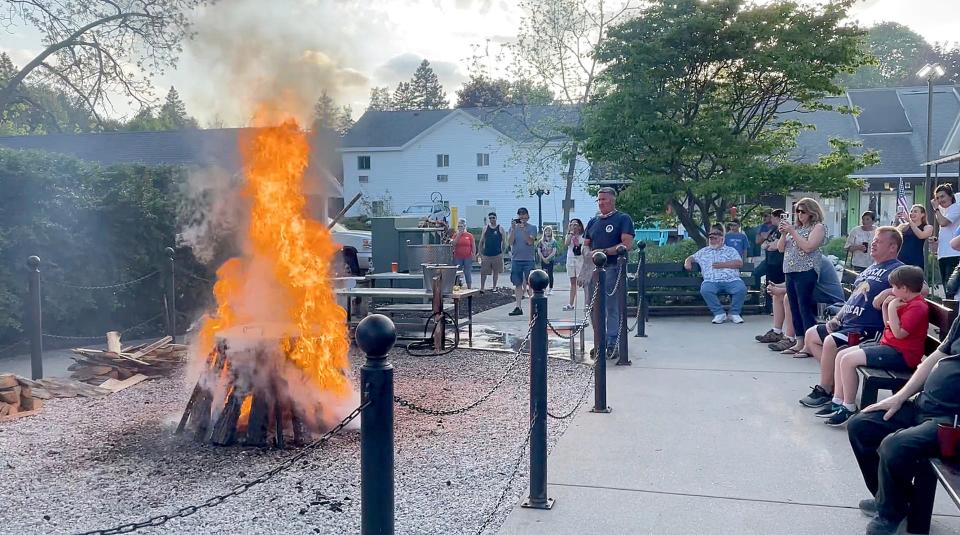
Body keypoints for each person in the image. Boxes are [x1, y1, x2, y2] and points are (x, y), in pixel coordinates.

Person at [847, 314, 960, 535]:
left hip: (951, 422)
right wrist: (899, 397)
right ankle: (891, 501)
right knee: (861, 425)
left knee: (895, 445)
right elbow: (936, 356)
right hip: (924, 403)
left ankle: (890, 514)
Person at [797, 227, 905, 407]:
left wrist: (889, 290)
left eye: (879, 241)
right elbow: (853, 299)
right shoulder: (870, 269)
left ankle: (825, 389)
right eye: (874, 240)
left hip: (868, 330)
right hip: (847, 323)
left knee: (832, 342)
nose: (873, 243)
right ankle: (834, 384)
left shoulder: (898, 269)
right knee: (811, 335)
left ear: (893, 247)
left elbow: (921, 288)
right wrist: (837, 318)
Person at [820, 266, 928, 427]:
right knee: (841, 354)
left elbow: (899, 334)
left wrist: (891, 308)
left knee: (848, 360)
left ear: (904, 288)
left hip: (902, 355)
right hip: (889, 346)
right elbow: (888, 325)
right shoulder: (904, 301)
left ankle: (848, 406)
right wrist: (885, 307)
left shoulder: (918, 307)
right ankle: (838, 400)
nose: (891, 291)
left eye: (894, 287)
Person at [581, 187, 635, 354]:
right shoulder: (593, 222)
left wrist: (603, 252)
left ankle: (613, 341)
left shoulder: (623, 219)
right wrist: (588, 254)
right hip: (593, 270)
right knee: (592, 306)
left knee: (612, 306)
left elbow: (626, 244)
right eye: (599, 200)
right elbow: (585, 244)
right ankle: (599, 341)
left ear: (612, 200)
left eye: (604, 199)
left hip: (612, 267)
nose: (601, 202)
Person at [778, 198, 827, 354]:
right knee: (794, 307)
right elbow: (780, 249)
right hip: (790, 271)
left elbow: (808, 247)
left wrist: (792, 231)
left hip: (806, 271)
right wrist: (784, 234)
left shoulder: (818, 227)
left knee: (804, 307)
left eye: (803, 211)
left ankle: (810, 343)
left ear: (812, 212)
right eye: (797, 211)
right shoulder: (796, 229)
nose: (799, 214)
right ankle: (799, 340)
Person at [764, 256, 845, 351]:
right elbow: (794, 283)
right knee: (777, 296)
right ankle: (777, 332)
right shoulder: (800, 259)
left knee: (787, 297)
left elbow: (804, 286)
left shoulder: (816, 260)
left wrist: (780, 290)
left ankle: (789, 338)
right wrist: (776, 286)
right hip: (814, 296)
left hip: (828, 301)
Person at [684, 225, 747, 324]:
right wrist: (687, 262)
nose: (712, 241)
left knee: (741, 288)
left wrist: (723, 265)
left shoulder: (731, 250)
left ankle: (734, 313)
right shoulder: (704, 251)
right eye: (711, 239)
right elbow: (691, 257)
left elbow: (739, 263)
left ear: (722, 239)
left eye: (715, 239)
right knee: (706, 289)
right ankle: (719, 313)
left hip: (731, 279)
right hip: (711, 280)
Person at [507, 207, 537, 316]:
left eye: (524, 215)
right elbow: (510, 242)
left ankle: (533, 307)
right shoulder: (513, 228)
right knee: (517, 283)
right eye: (520, 215)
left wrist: (523, 229)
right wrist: (514, 229)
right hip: (516, 259)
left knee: (531, 284)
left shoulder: (532, 228)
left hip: (528, 259)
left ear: (528, 216)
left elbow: (530, 242)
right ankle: (518, 306)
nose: (522, 217)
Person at [931, 183, 960, 295]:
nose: (940, 200)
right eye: (937, 198)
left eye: (942, 196)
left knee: (952, 291)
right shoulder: (943, 211)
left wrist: (936, 209)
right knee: (947, 290)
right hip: (943, 254)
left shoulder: (956, 207)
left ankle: (954, 312)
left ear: (950, 196)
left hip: (954, 254)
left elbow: (943, 223)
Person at [896, 204, 933, 270]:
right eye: (911, 211)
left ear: (922, 214)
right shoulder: (903, 226)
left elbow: (921, 235)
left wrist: (909, 221)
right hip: (900, 259)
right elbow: (893, 236)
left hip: (915, 259)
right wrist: (896, 220)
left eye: (915, 211)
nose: (912, 213)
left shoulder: (927, 227)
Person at [478, 212, 506, 291]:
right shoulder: (485, 228)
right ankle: (482, 288)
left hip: (497, 254)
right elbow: (481, 241)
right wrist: (480, 254)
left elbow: (504, 242)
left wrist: (502, 253)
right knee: (483, 272)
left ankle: (494, 287)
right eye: (490, 218)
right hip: (486, 254)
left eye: (493, 217)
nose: (492, 219)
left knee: (496, 272)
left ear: (496, 218)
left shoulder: (500, 228)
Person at [563, 219, 585, 311]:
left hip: (580, 259)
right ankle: (571, 304)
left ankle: (587, 304)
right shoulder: (569, 235)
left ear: (580, 226)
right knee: (573, 282)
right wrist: (571, 234)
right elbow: (566, 244)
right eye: (571, 224)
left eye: (575, 224)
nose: (574, 226)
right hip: (571, 259)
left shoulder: (583, 236)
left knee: (583, 282)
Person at [752, 211, 777, 288]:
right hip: (766, 257)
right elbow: (757, 241)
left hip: (777, 257)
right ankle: (755, 298)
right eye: (763, 216)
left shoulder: (776, 226)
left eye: (766, 216)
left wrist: (766, 235)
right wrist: (764, 236)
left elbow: (765, 237)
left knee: (772, 279)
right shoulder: (762, 227)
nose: (764, 218)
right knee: (755, 273)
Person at [452, 219, 475, 289]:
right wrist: (459, 234)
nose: (460, 228)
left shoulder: (469, 235)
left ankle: (469, 288)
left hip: (468, 257)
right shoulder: (455, 235)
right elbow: (453, 244)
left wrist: (474, 254)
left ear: (464, 226)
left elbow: (473, 245)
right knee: (457, 273)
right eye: (458, 226)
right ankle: (456, 287)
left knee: (467, 272)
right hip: (458, 257)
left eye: (461, 226)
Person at [537, 225, 558, 296]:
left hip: (550, 260)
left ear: (551, 232)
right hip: (543, 260)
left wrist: (548, 258)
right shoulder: (541, 241)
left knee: (550, 274)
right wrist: (543, 258)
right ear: (544, 232)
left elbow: (554, 251)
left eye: (549, 231)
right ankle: (543, 288)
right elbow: (539, 251)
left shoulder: (553, 242)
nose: (547, 232)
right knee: (543, 274)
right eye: (546, 231)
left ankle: (551, 288)